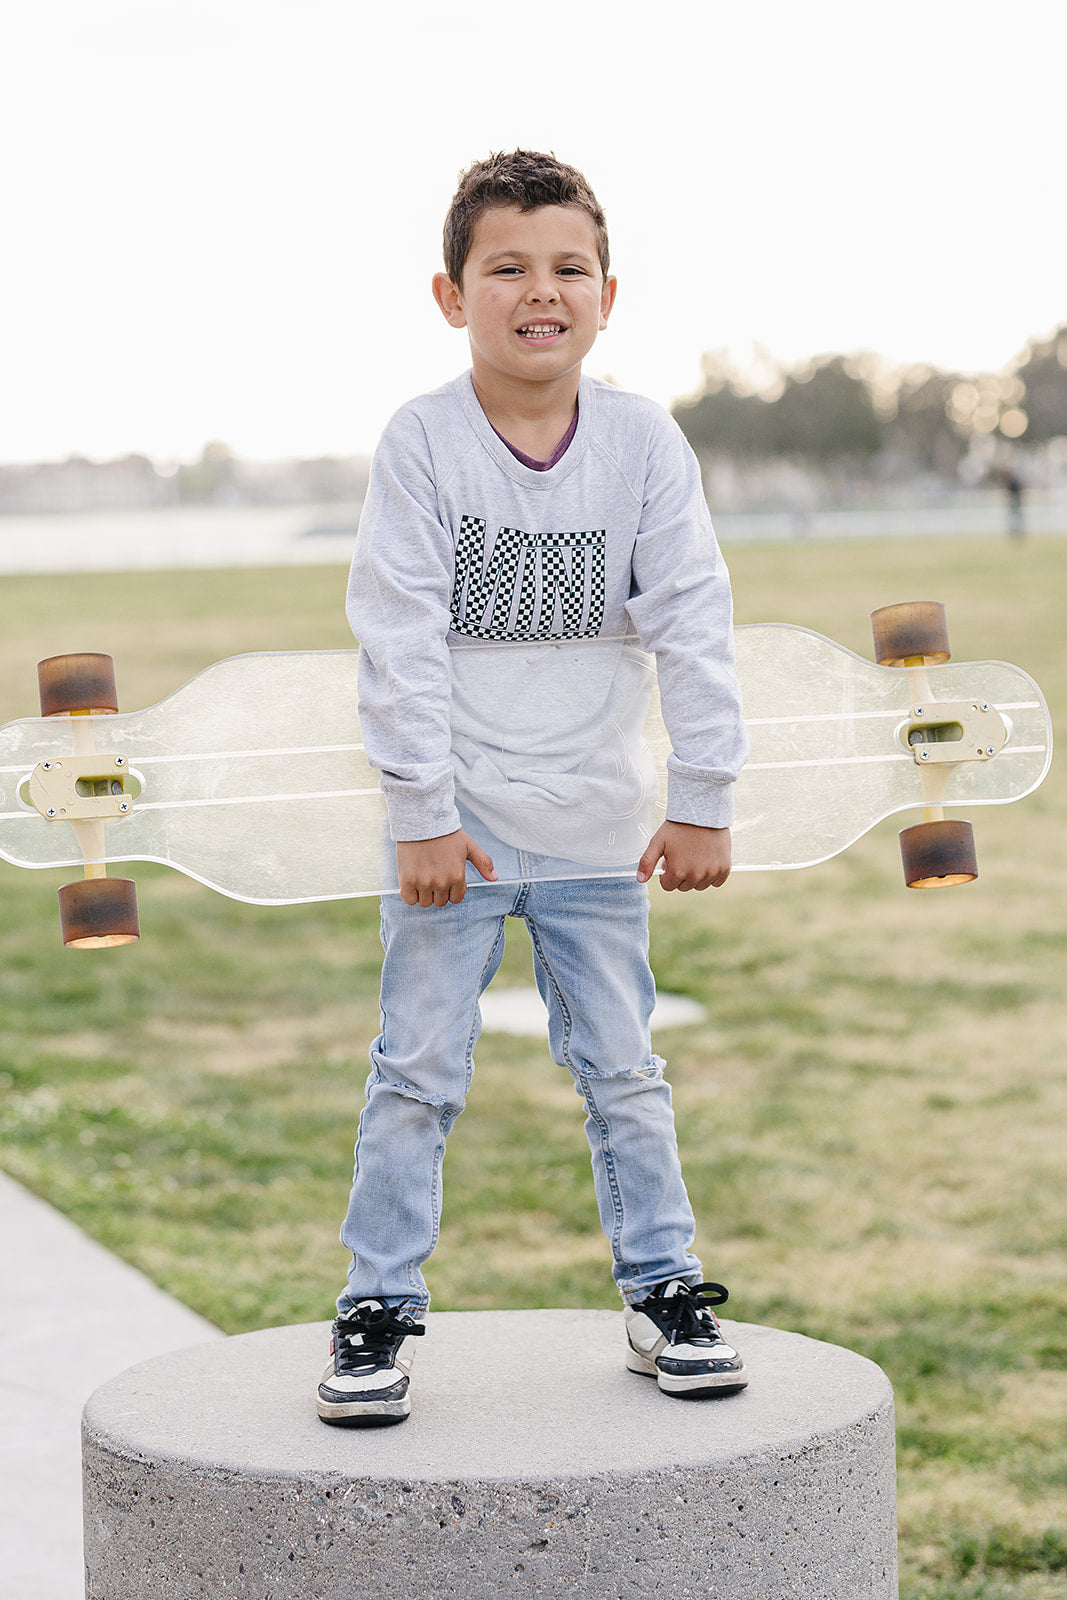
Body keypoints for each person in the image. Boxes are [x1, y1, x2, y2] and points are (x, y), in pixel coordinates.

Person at [316, 151, 750, 1428]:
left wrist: (704, 794)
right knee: (414, 1075)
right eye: (505, 267)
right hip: (457, 836)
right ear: (453, 296)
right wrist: (422, 813)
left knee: (623, 1068)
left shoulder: (640, 442)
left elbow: (693, 621)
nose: (538, 291)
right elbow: (395, 630)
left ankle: (662, 1288)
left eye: (567, 269)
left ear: (607, 295)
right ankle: (375, 1307)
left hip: (600, 833)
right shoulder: (422, 441)